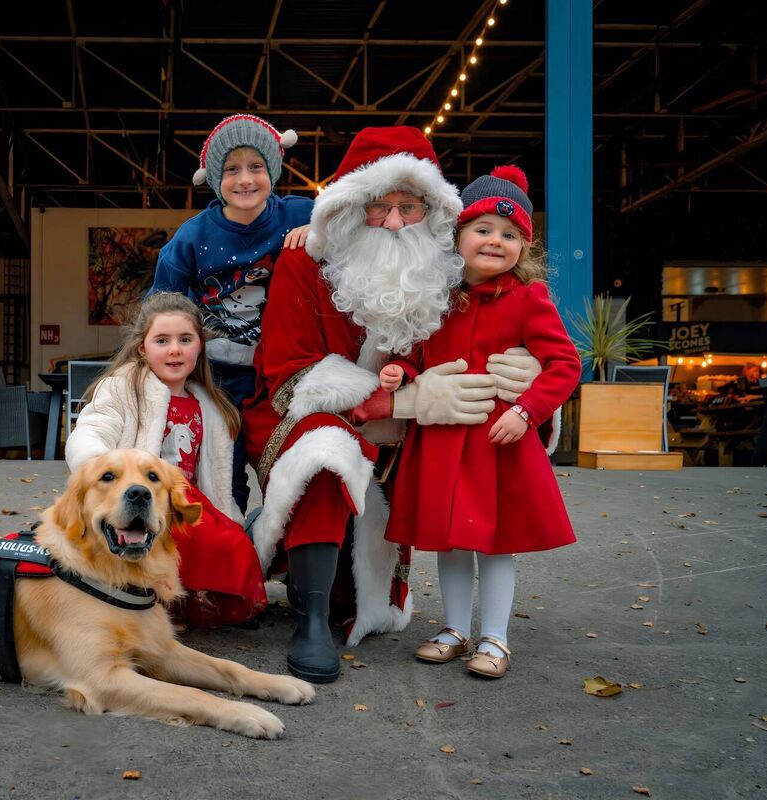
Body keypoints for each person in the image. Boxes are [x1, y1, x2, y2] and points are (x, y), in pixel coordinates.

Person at [244, 127, 545, 683]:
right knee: (327, 450)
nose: (394, 221)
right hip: (307, 419)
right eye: (378, 205)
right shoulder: (303, 263)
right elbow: (292, 377)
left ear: (432, 211)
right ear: (352, 207)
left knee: (364, 592)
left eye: (408, 206)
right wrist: (397, 400)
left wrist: (522, 373)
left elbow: (493, 333)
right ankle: (307, 622)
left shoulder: (449, 271)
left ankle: (456, 624)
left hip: (412, 437)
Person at [383, 165, 581, 678]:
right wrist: (400, 371)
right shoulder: (435, 295)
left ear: (524, 247)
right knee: (450, 541)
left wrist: (526, 411)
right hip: (445, 439)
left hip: (498, 442)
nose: (496, 241)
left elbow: (564, 365)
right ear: (458, 235)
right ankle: (454, 628)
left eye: (510, 234)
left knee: (495, 546)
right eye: (484, 229)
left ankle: (495, 638)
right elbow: (416, 354)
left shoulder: (528, 298)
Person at [65, 292, 267, 628]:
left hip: (187, 496)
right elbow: (93, 427)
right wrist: (101, 467)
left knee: (232, 543)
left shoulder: (210, 405)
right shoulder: (123, 389)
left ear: (199, 346)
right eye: (163, 340)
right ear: (144, 348)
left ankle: (197, 600)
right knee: (185, 536)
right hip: (143, 492)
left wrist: (226, 515)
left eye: (185, 339)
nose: (174, 349)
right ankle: (155, 599)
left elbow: (215, 474)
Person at [151, 114, 313, 513]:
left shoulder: (301, 213)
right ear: (215, 179)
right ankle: (231, 546)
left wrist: (322, 231)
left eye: (256, 166)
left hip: (282, 366)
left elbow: (357, 220)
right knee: (225, 462)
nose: (245, 179)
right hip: (217, 370)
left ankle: (290, 551)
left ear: (273, 170)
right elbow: (159, 302)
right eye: (232, 169)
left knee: (291, 458)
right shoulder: (194, 235)